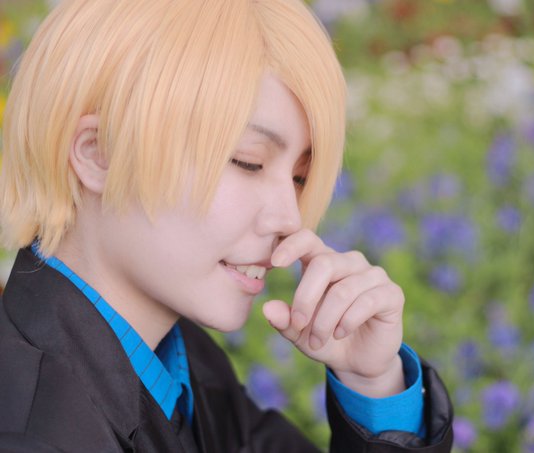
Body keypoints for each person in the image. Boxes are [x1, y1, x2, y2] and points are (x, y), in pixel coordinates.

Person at [0, 0, 453, 451]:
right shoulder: (30, 434)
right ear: (99, 153)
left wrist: (372, 383)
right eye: (248, 162)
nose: (289, 218)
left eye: (299, 177)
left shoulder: (183, 365)